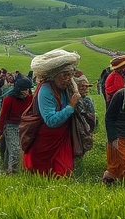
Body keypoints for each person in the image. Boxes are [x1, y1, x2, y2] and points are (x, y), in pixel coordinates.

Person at [23, 49, 81, 177]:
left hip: (61, 137)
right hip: (46, 141)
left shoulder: (65, 89)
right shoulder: (45, 90)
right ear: (54, 75)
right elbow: (50, 120)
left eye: (69, 75)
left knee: (63, 172)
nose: (67, 79)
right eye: (64, 75)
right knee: (43, 175)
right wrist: (71, 106)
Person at [0, 75, 34, 174]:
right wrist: (0, 131)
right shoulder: (8, 99)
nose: (26, 92)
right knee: (15, 150)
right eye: (23, 90)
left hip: (24, 126)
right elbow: (3, 116)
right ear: (18, 89)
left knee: (20, 149)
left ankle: (10, 167)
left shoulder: (30, 99)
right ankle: (12, 172)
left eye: (27, 90)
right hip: (10, 126)